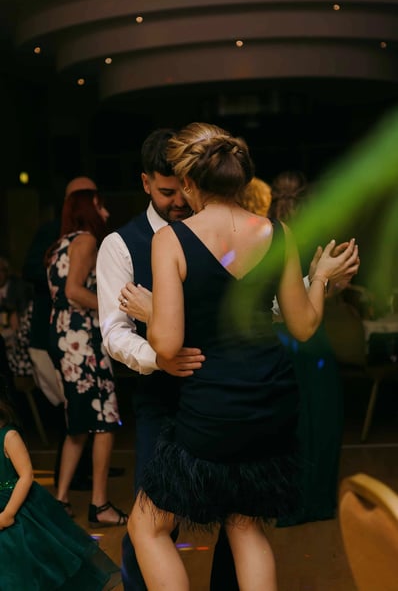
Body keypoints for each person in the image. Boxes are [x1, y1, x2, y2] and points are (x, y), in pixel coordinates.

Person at [119, 121, 359, 590]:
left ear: (188, 183)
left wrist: (152, 311)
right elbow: (304, 326)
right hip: (270, 400)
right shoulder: (276, 232)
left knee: (145, 526)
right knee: (246, 525)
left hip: (211, 406)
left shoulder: (171, 240)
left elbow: (167, 346)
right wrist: (321, 278)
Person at [96, 127, 238, 591]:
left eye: (185, 189)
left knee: (236, 519)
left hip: (223, 394)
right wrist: (161, 359)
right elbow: (114, 332)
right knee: (152, 522)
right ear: (144, 183)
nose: (179, 201)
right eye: (166, 191)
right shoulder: (120, 245)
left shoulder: (220, 232)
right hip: (163, 401)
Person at [268, 169, 353, 525]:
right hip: (310, 336)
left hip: (276, 340)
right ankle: (316, 502)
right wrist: (331, 285)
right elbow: (320, 296)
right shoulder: (314, 233)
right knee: (322, 420)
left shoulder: (264, 234)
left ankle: (284, 503)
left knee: (286, 422)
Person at [46, 188, 127, 526]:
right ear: (89, 208)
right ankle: (99, 505)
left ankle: (61, 499)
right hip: (82, 338)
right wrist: (114, 307)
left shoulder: (59, 245)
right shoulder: (87, 241)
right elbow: (74, 291)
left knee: (78, 420)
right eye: (101, 205)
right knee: (105, 419)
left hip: (66, 335)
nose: (106, 212)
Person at [0, 372, 121, 590]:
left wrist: (8, 514)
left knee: (29, 565)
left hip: (19, 511)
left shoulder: (8, 437)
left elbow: (26, 475)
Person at [23, 176, 99, 490]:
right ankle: (69, 481)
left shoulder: (83, 237)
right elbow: (31, 270)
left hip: (70, 330)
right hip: (57, 330)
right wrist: (63, 286)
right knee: (70, 407)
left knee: (82, 407)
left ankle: (81, 476)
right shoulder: (56, 236)